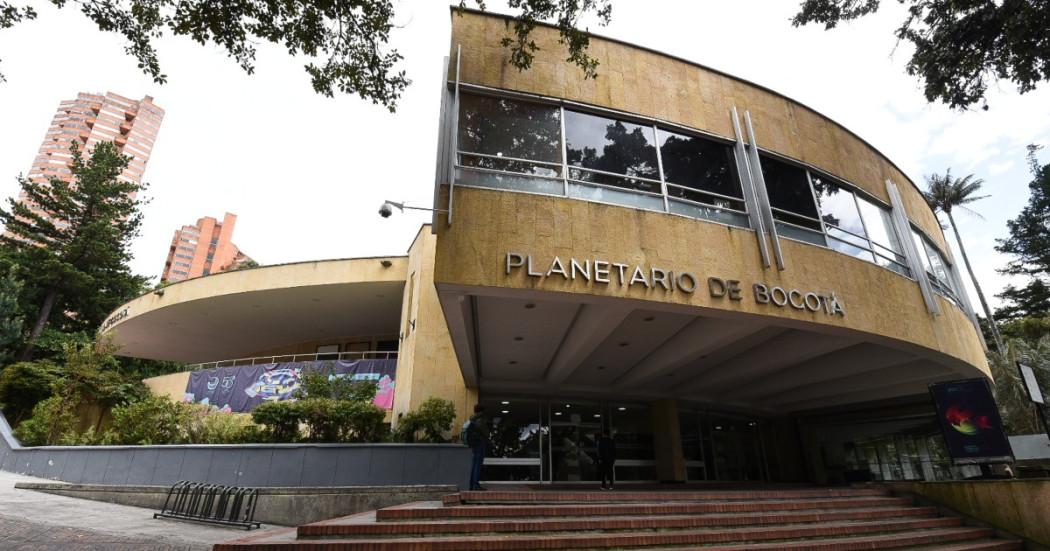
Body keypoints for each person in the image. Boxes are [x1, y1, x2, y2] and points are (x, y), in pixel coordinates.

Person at [464, 404, 490, 491]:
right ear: (482, 411)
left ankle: (472, 484)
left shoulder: (472, 418)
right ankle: (475, 485)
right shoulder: (480, 419)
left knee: (475, 464)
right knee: (477, 465)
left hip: (474, 443)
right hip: (479, 442)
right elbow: (485, 432)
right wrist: (487, 433)